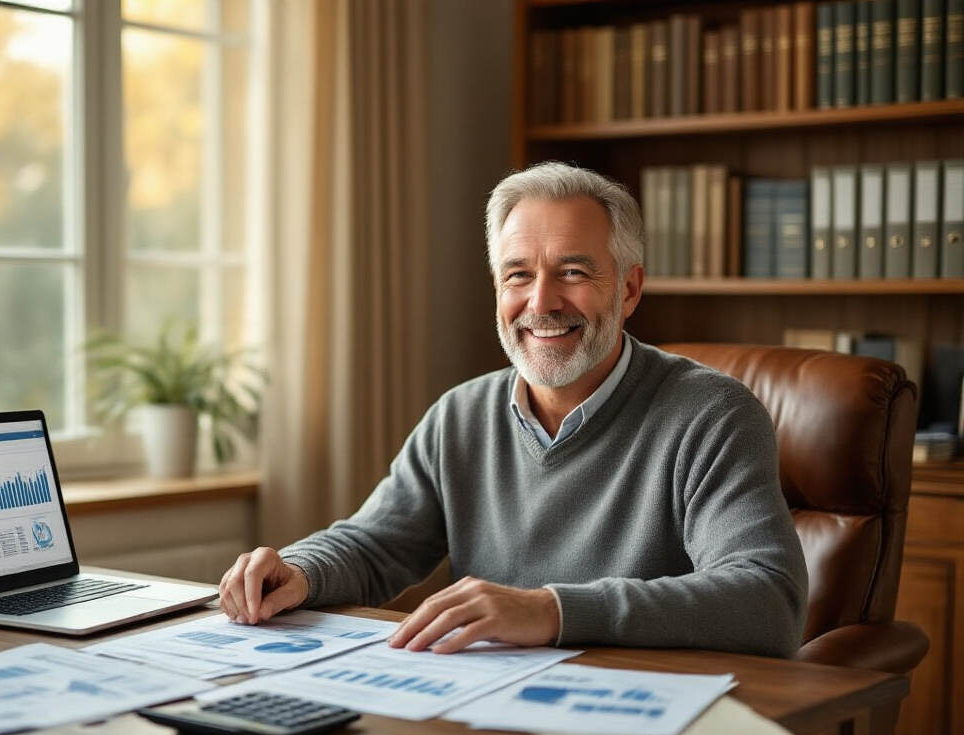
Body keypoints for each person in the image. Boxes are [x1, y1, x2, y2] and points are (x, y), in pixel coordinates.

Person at [219, 161, 808, 659]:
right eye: (518, 275)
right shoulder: (460, 416)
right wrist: (300, 571)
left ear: (629, 289)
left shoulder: (712, 416)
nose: (541, 301)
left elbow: (768, 601)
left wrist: (551, 611)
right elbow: (376, 545)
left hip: (639, 713)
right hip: (487, 709)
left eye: (573, 272)